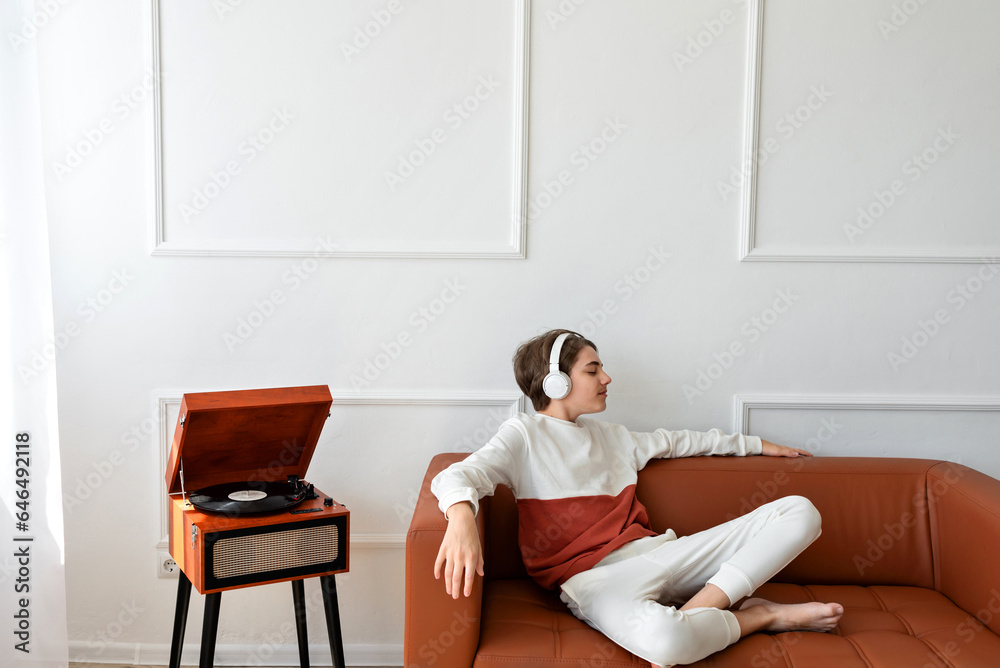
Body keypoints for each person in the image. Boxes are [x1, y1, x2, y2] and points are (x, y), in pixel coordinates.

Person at [431, 329, 843, 667]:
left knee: (800, 511)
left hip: (663, 554)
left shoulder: (614, 437)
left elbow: (683, 441)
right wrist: (462, 518)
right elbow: (458, 474)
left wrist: (758, 445)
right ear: (556, 383)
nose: (606, 378)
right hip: (593, 581)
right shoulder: (524, 435)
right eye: (593, 370)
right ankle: (760, 615)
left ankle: (696, 612)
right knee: (666, 643)